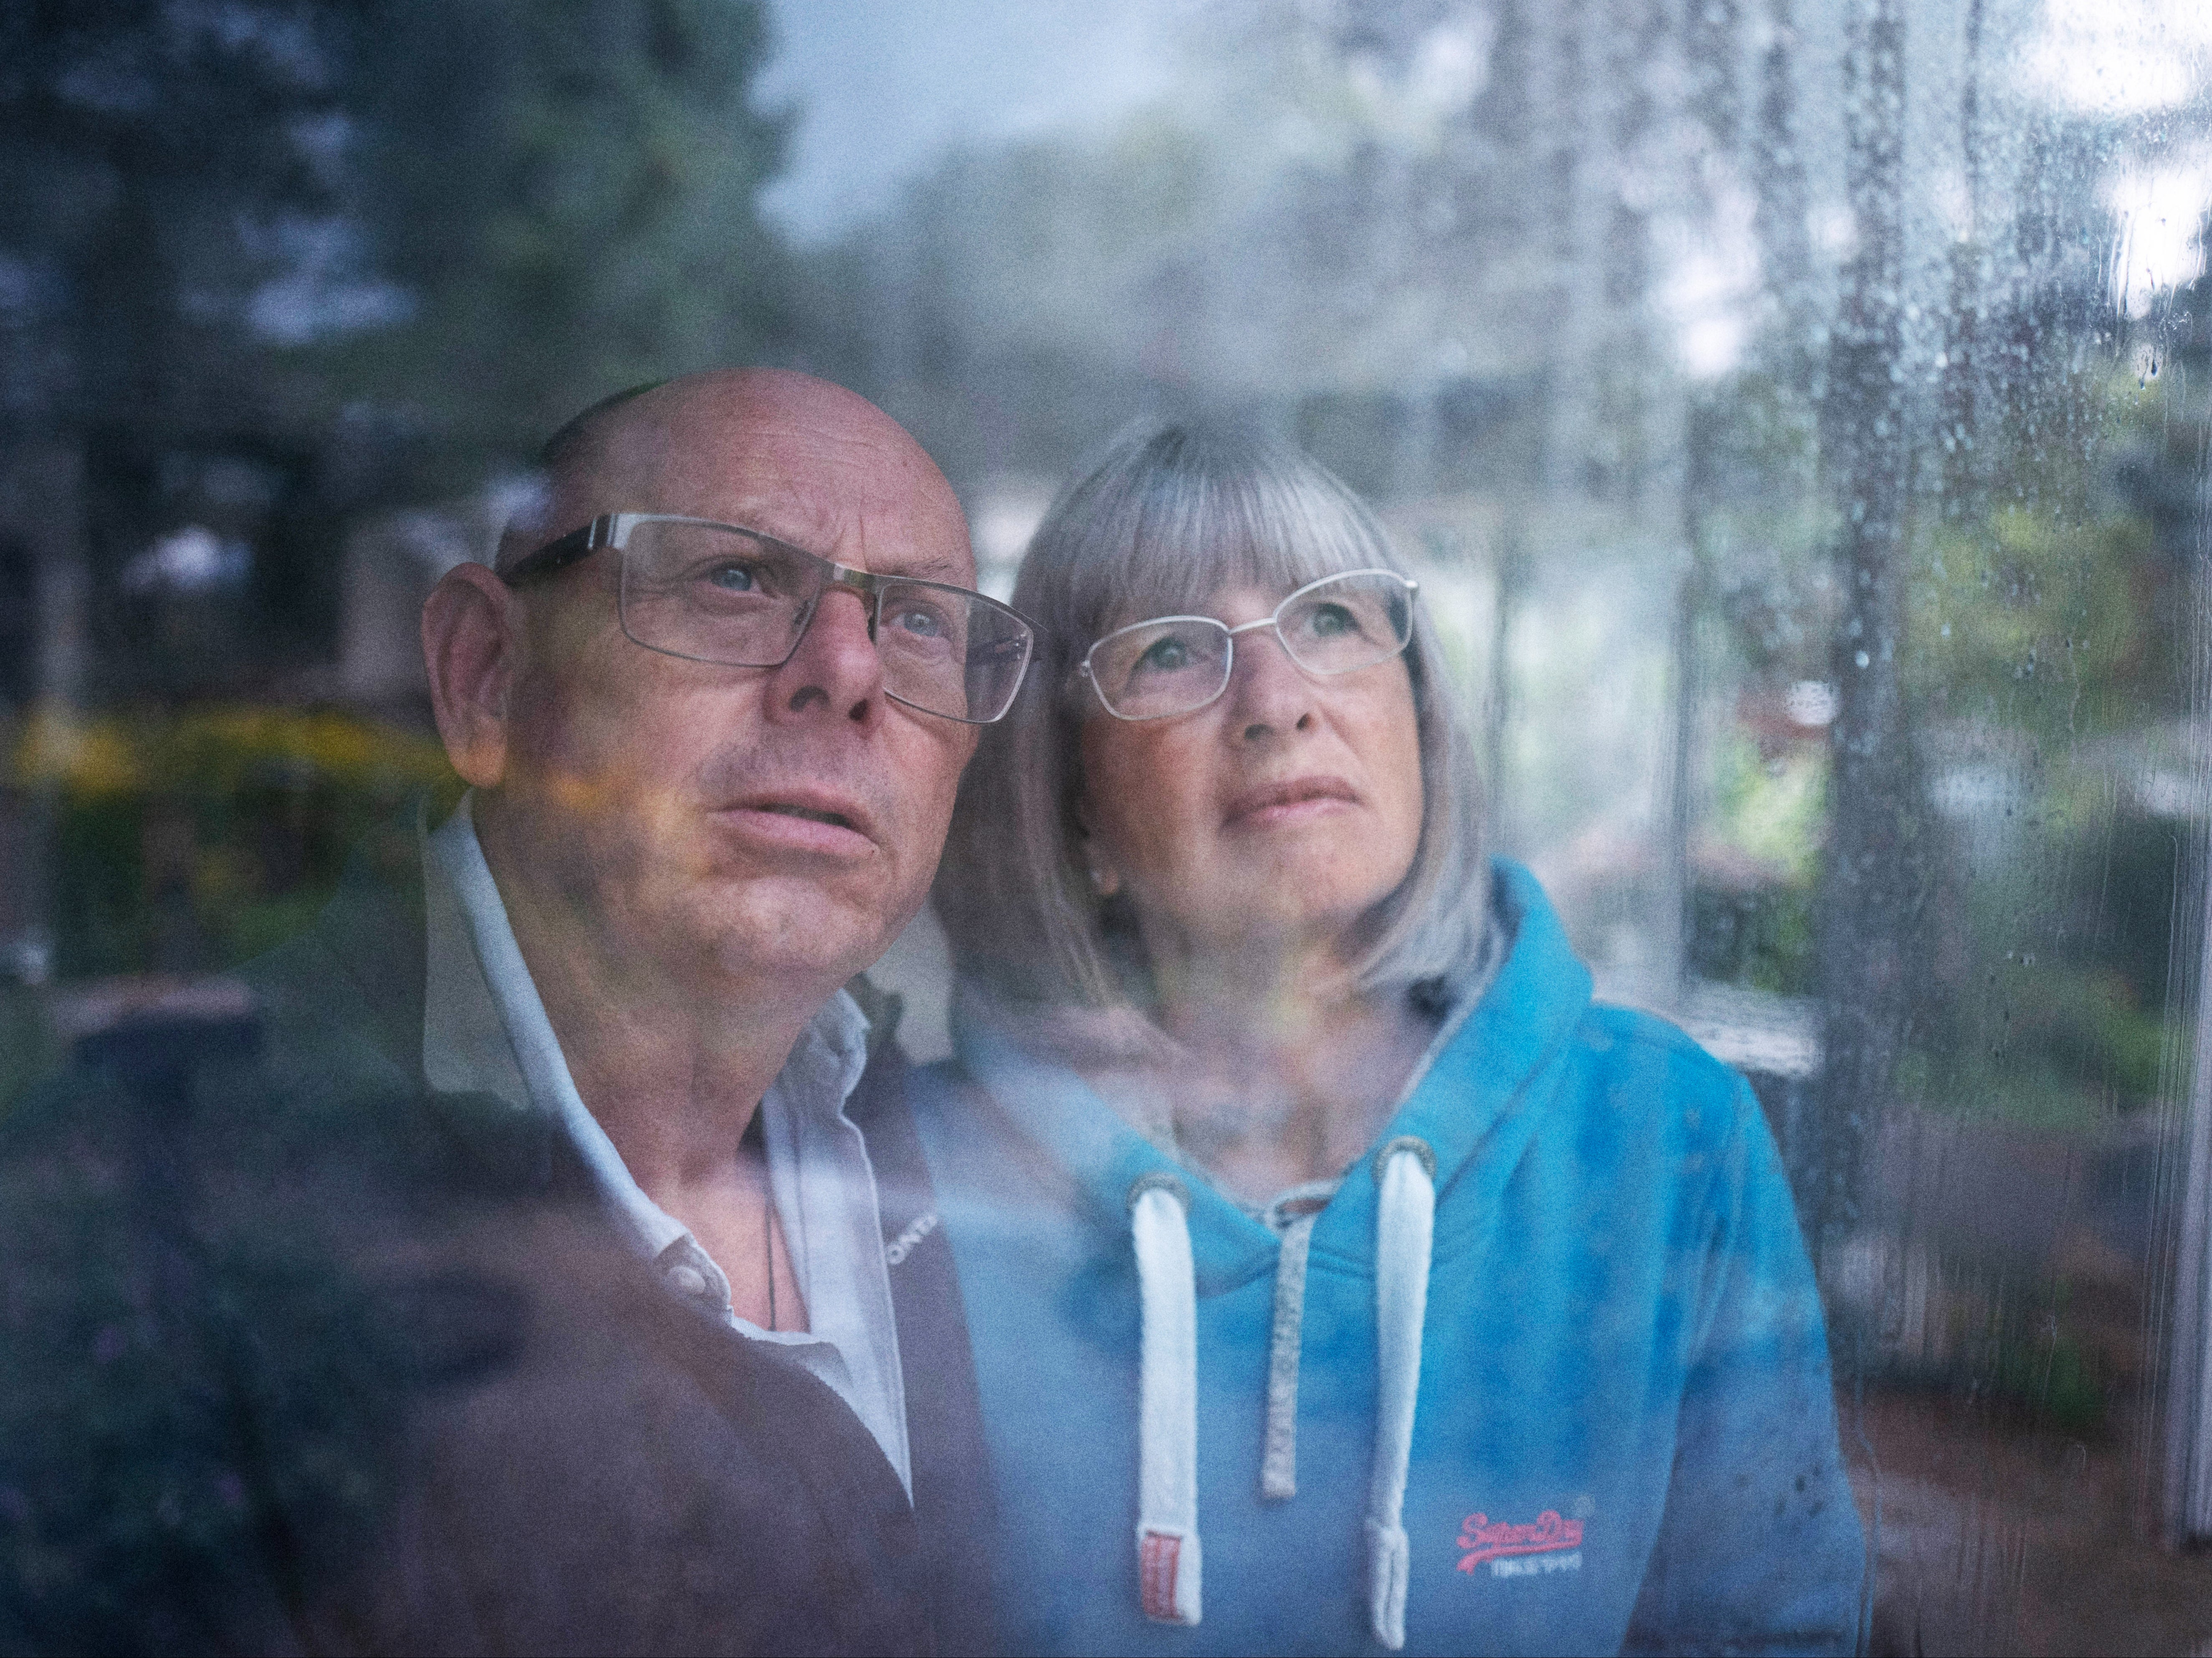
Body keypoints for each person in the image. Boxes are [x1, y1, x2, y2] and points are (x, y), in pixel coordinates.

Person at [0, 369, 1029, 1655]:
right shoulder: (135, 1223)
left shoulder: (970, 1163)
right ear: (485, 675)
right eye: (733, 579)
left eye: (921, 621)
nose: (846, 670)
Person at [917, 423, 1865, 1655]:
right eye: (1169, 651)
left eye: (1329, 622)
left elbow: (1765, 1630)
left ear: (1417, 714)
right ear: (1073, 804)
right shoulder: (915, 1176)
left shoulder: (1665, 1130)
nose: (1275, 703)